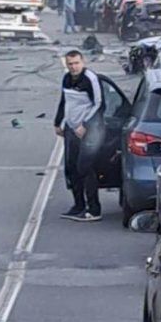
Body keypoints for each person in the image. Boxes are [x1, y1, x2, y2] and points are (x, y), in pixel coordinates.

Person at [54, 49, 104, 222]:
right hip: (71, 128)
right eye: (70, 64)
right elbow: (64, 101)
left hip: (90, 130)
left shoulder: (90, 78)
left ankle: (94, 209)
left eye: (76, 63)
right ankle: (78, 206)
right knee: (71, 168)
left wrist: (86, 125)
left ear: (83, 62)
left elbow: (99, 104)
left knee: (85, 167)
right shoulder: (67, 79)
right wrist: (58, 122)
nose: (74, 67)